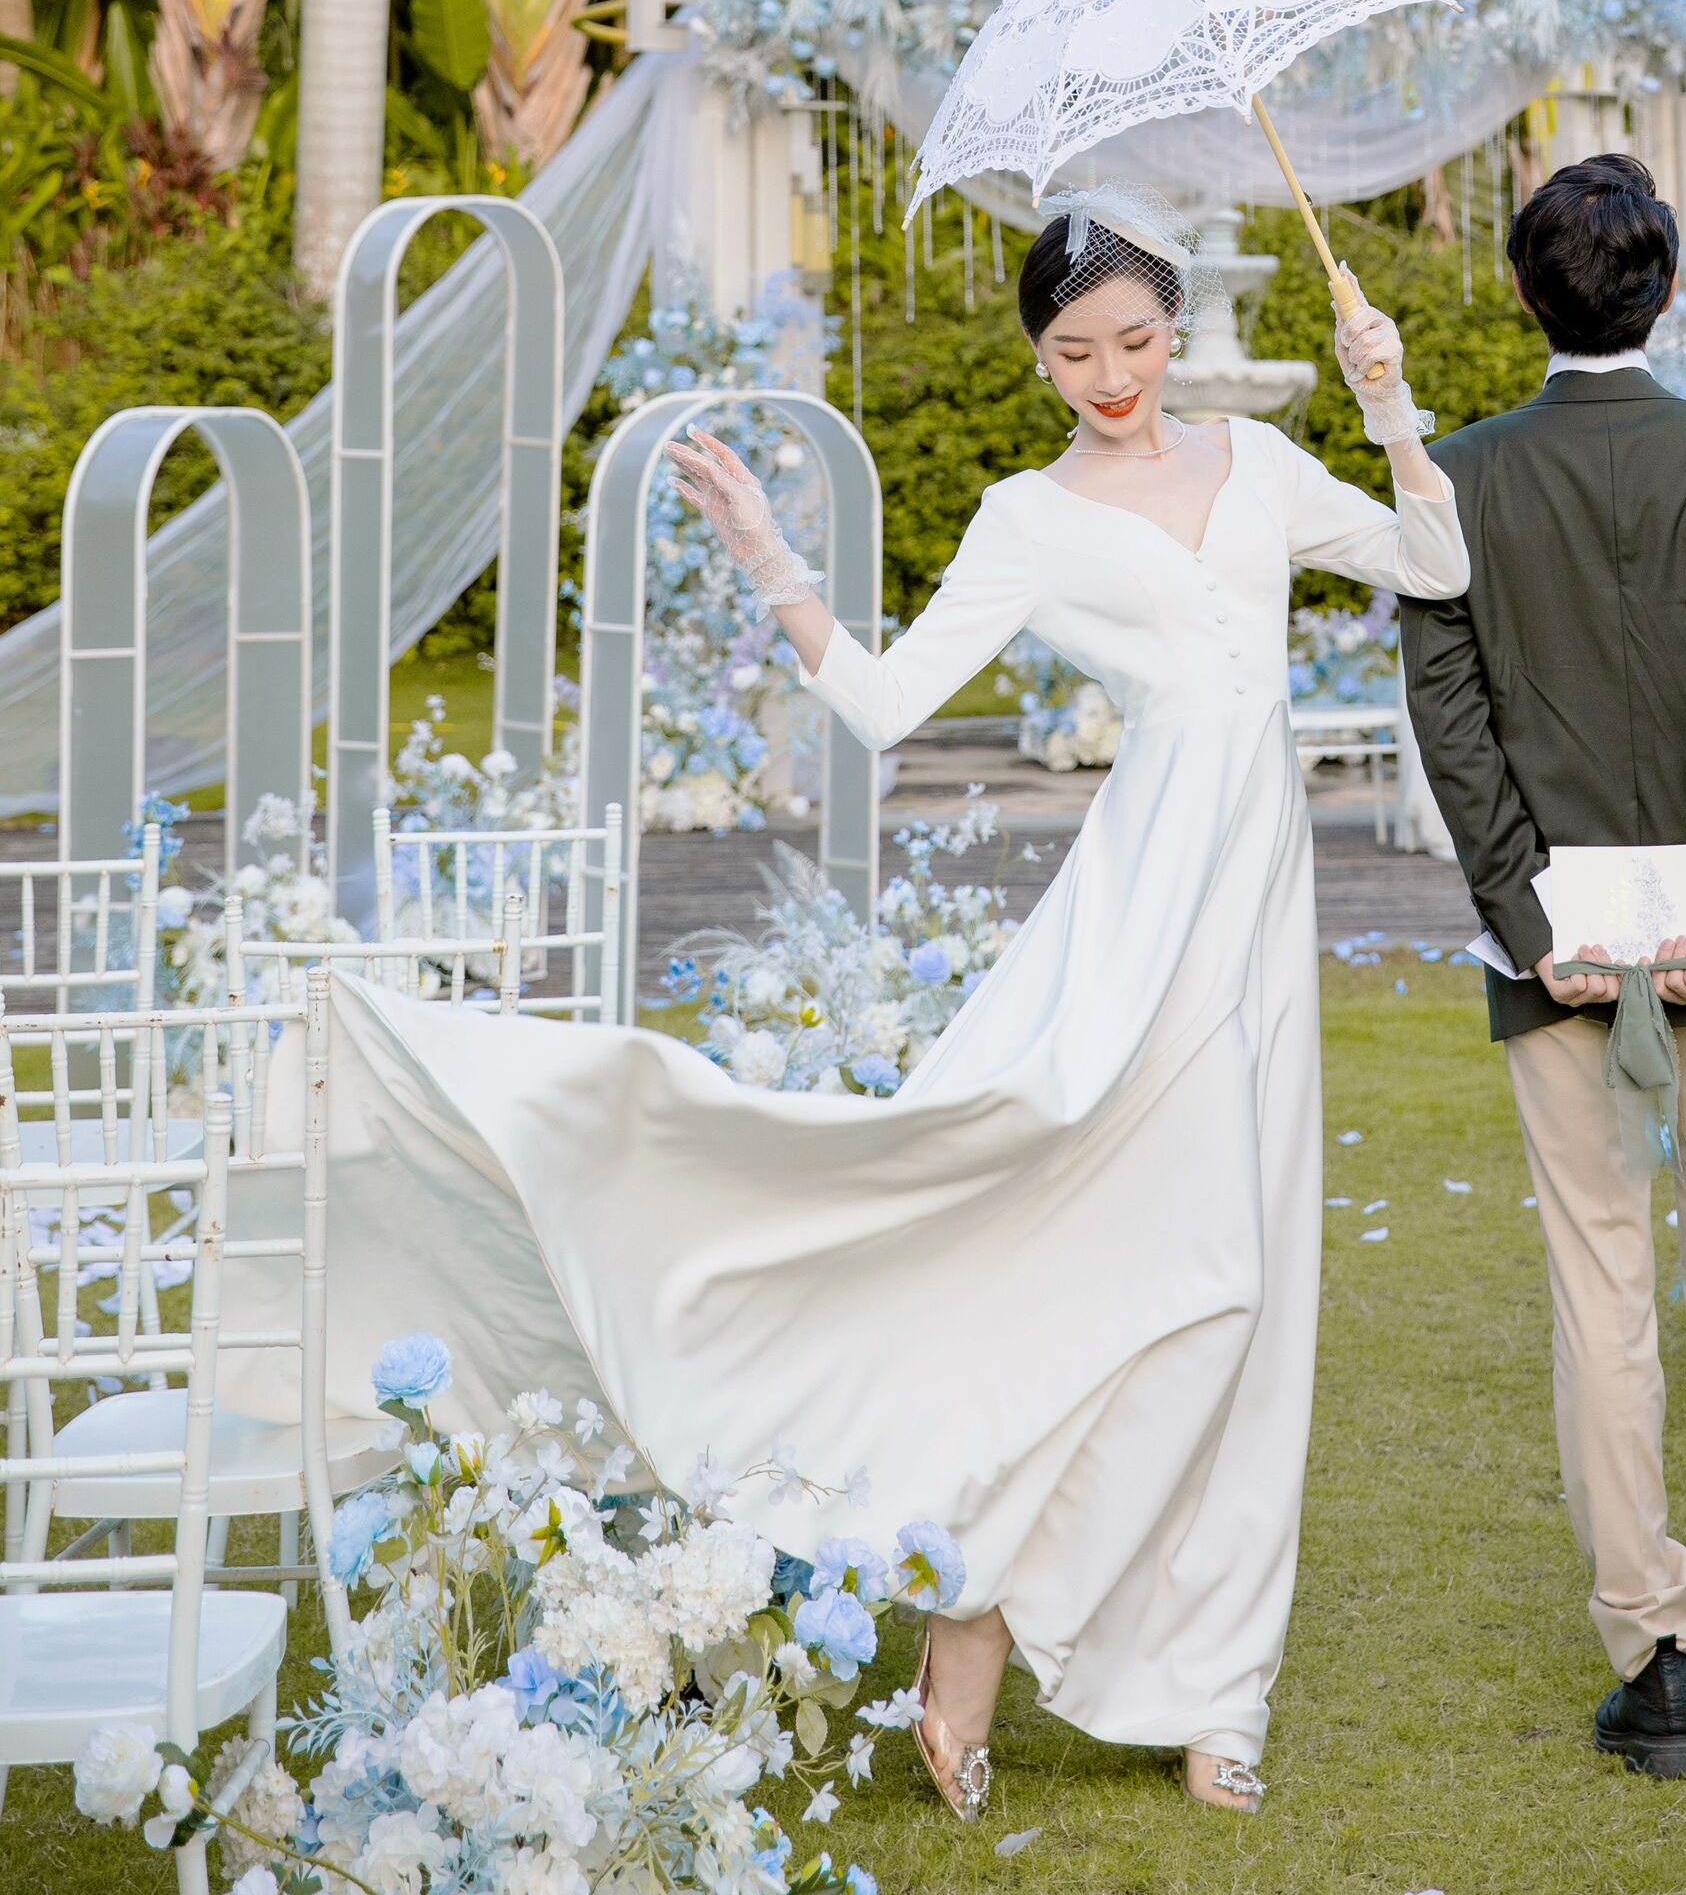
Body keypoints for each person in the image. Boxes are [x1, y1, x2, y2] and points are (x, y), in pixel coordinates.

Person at [322, 187, 1466, 1827]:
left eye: (1138, 340)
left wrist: (1383, 395)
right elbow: (881, 703)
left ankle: (1206, 1683)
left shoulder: (1260, 467)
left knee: (1246, 1294)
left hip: (1252, 910)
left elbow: (1438, 559)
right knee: (1154, 1264)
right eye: (1076, 351)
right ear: (1041, 361)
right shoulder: (1026, 516)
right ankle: (978, 1604)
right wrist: (772, 560)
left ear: (1176, 327)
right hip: (1138, 919)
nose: (1114, 374)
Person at [1399, 152, 1686, 1785]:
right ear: (1669, 291)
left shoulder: (1457, 480)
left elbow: (1452, 729)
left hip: (1558, 933)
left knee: (1600, 1286)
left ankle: (1649, 1658)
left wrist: (1531, 921)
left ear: (1524, 293)